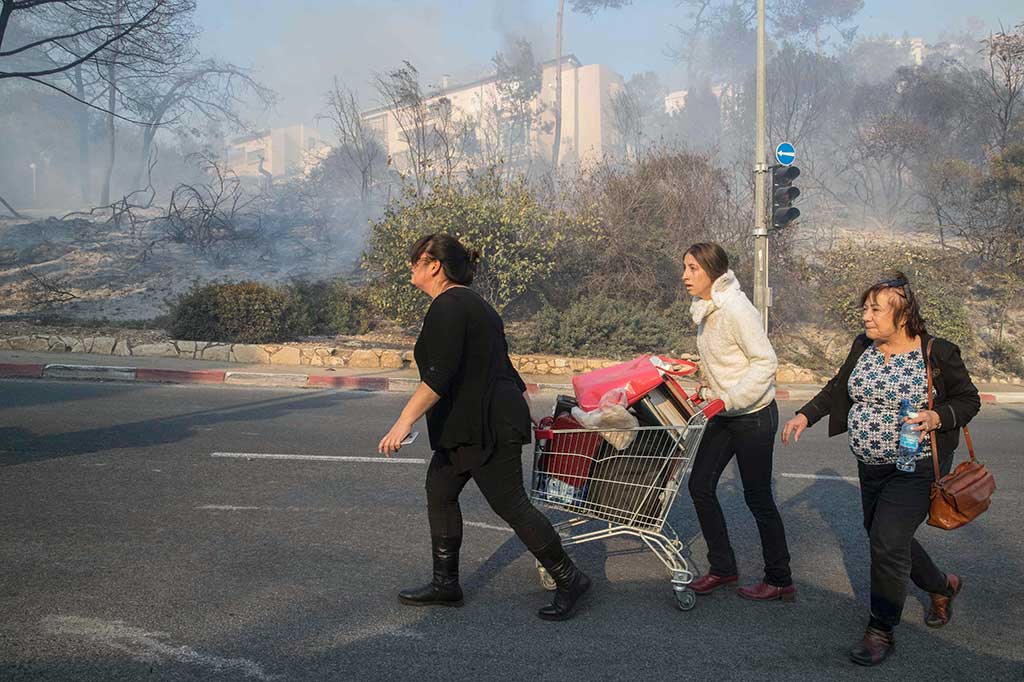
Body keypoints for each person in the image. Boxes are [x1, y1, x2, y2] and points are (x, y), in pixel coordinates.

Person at [377, 233, 591, 621]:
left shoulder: (449, 305)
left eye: (415, 261)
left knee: (510, 503)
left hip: (484, 424)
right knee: (440, 490)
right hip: (472, 422)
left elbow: (439, 374)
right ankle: (446, 584)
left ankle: (570, 578)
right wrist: (524, 408)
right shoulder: (474, 304)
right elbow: (502, 364)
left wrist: (403, 422)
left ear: (434, 266)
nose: (410, 267)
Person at [781, 273, 980, 666]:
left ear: (903, 315)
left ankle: (880, 629)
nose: (866, 316)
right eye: (865, 308)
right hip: (870, 464)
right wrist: (806, 415)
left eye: (875, 309)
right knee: (885, 536)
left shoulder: (937, 353)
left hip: (916, 465)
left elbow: (968, 400)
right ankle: (942, 586)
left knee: (887, 542)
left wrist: (937, 416)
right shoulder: (863, 347)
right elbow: (837, 387)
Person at [682, 243, 795, 601]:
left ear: (713, 271)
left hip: (753, 415)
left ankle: (780, 579)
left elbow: (765, 362)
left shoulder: (736, 308)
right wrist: (705, 385)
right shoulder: (707, 308)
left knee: (757, 497)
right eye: (685, 267)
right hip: (725, 413)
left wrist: (728, 398)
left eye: (693, 268)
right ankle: (722, 568)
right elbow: (729, 363)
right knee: (700, 485)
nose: (685, 276)